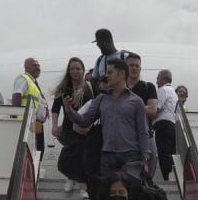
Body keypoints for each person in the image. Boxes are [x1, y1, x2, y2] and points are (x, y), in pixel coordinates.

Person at [64, 57, 154, 186]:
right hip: (107, 155)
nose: (107, 75)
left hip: (130, 155)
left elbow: (142, 131)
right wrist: (69, 111)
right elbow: (85, 121)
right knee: (108, 195)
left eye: (110, 72)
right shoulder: (101, 99)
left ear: (121, 73)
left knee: (131, 194)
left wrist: (145, 157)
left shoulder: (136, 101)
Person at [52, 57, 91, 196]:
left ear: (82, 70)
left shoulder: (88, 87)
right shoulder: (64, 88)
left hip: (82, 126)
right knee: (70, 156)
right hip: (68, 127)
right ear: (69, 71)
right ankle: (70, 177)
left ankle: (82, 187)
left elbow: (92, 107)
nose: (75, 71)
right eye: (72, 68)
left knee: (82, 155)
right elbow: (55, 108)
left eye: (78, 68)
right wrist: (55, 126)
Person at [14, 56, 47, 179]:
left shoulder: (33, 82)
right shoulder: (24, 79)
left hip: (36, 122)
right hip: (27, 122)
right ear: (26, 67)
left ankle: (36, 170)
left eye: (38, 65)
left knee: (39, 148)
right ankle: (32, 173)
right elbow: (16, 96)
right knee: (32, 149)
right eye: (34, 65)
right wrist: (16, 117)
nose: (38, 67)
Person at [152, 68, 181, 181]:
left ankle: (166, 177)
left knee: (163, 153)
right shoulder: (173, 92)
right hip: (171, 125)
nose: (156, 82)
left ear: (163, 78)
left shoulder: (163, 90)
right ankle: (171, 176)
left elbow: (156, 108)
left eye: (158, 79)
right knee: (170, 152)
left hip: (163, 125)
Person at [125, 53, 160, 119]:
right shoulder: (120, 87)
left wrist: (124, 107)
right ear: (125, 68)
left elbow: (152, 110)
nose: (134, 68)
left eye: (137, 66)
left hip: (142, 128)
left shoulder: (149, 87)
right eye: (131, 65)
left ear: (140, 69)